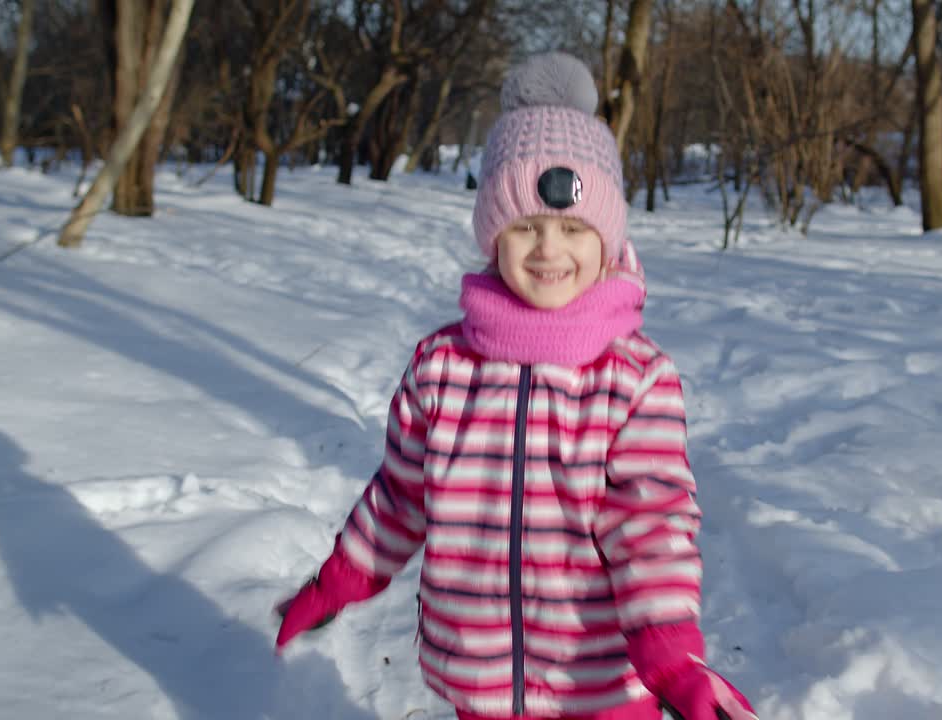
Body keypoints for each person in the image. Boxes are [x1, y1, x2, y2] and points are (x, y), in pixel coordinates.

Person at [274, 52, 758, 720]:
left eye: (573, 229)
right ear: (493, 238)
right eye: (525, 227)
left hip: (603, 685)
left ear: (609, 241)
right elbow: (401, 495)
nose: (549, 250)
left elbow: (649, 524)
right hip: (475, 675)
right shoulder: (442, 367)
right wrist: (340, 580)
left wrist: (670, 653)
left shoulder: (636, 378)